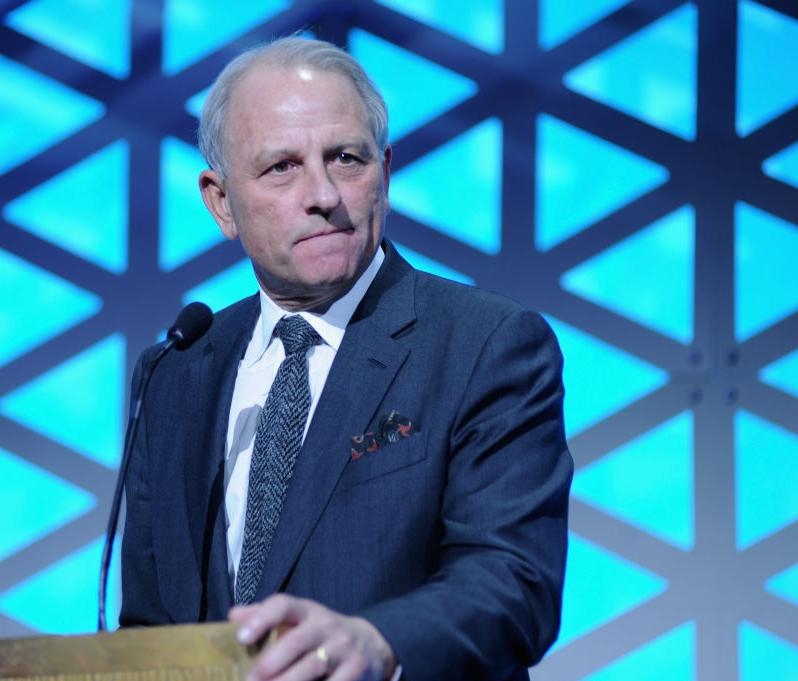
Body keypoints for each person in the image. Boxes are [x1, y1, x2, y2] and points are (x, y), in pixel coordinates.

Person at [120, 36, 573, 681]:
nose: (323, 194)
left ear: (384, 175)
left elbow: (513, 585)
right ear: (222, 204)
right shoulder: (176, 371)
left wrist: (376, 642)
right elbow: (149, 627)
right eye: (281, 167)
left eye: (345, 158)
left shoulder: (486, 344)